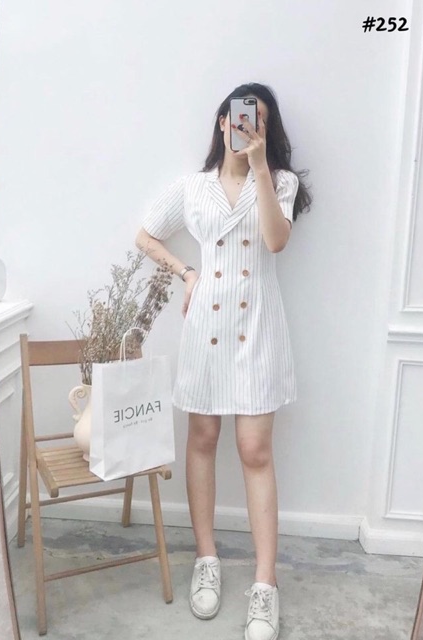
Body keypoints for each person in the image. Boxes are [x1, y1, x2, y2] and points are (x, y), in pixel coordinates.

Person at [135, 82, 311, 640]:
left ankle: (265, 583)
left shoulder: (279, 182)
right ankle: (206, 558)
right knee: (203, 439)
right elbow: (144, 235)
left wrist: (259, 167)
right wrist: (187, 272)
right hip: (206, 328)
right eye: (240, 118)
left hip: (257, 327)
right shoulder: (193, 188)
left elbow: (276, 242)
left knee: (255, 449)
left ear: (267, 131)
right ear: (222, 122)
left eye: (259, 121)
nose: (246, 127)